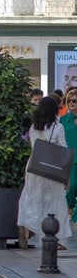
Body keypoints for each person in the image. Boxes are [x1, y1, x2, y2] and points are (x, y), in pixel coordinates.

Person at [16, 95, 71, 249]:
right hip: (52, 168)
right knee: (53, 201)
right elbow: (63, 150)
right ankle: (55, 238)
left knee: (32, 197)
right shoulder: (58, 127)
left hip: (34, 166)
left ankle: (26, 226)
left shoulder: (33, 127)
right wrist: (66, 176)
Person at [61, 87, 77, 221]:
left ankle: (76, 217)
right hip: (69, 158)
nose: (72, 103)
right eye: (69, 100)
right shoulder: (63, 120)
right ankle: (70, 206)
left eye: (75, 101)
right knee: (72, 186)